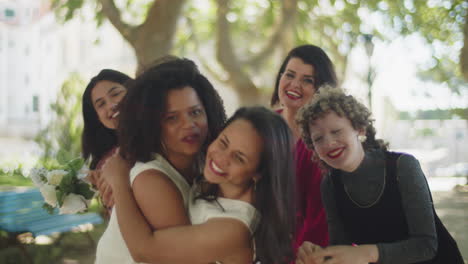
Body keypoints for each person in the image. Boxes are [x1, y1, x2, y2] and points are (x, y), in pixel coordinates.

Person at [103, 106, 296, 263]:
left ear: (259, 173)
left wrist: (119, 181)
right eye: (223, 142)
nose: (220, 158)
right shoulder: (213, 182)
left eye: (238, 157)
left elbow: (145, 251)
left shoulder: (233, 228)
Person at [95, 57, 227, 263]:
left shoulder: (203, 159)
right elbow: (187, 258)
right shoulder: (151, 179)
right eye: (172, 118)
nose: (189, 125)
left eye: (195, 112)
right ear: (153, 125)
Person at [295, 88, 438, 264]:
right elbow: (341, 247)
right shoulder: (330, 185)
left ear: (360, 129)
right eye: (318, 139)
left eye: (336, 131)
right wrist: (320, 255)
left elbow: (427, 245)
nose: (329, 143)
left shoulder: (403, 166)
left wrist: (366, 253)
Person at [271, 44, 338, 250]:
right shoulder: (260, 126)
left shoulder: (324, 142)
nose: (294, 85)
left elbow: (320, 219)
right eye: (289, 75)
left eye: (307, 80)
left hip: (307, 249)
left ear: (321, 90)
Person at [81, 69, 132, 209]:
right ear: (97, 118)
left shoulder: (165, 130)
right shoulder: (105, 164)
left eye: (116, 94)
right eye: (101, 104)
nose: (111, 105)